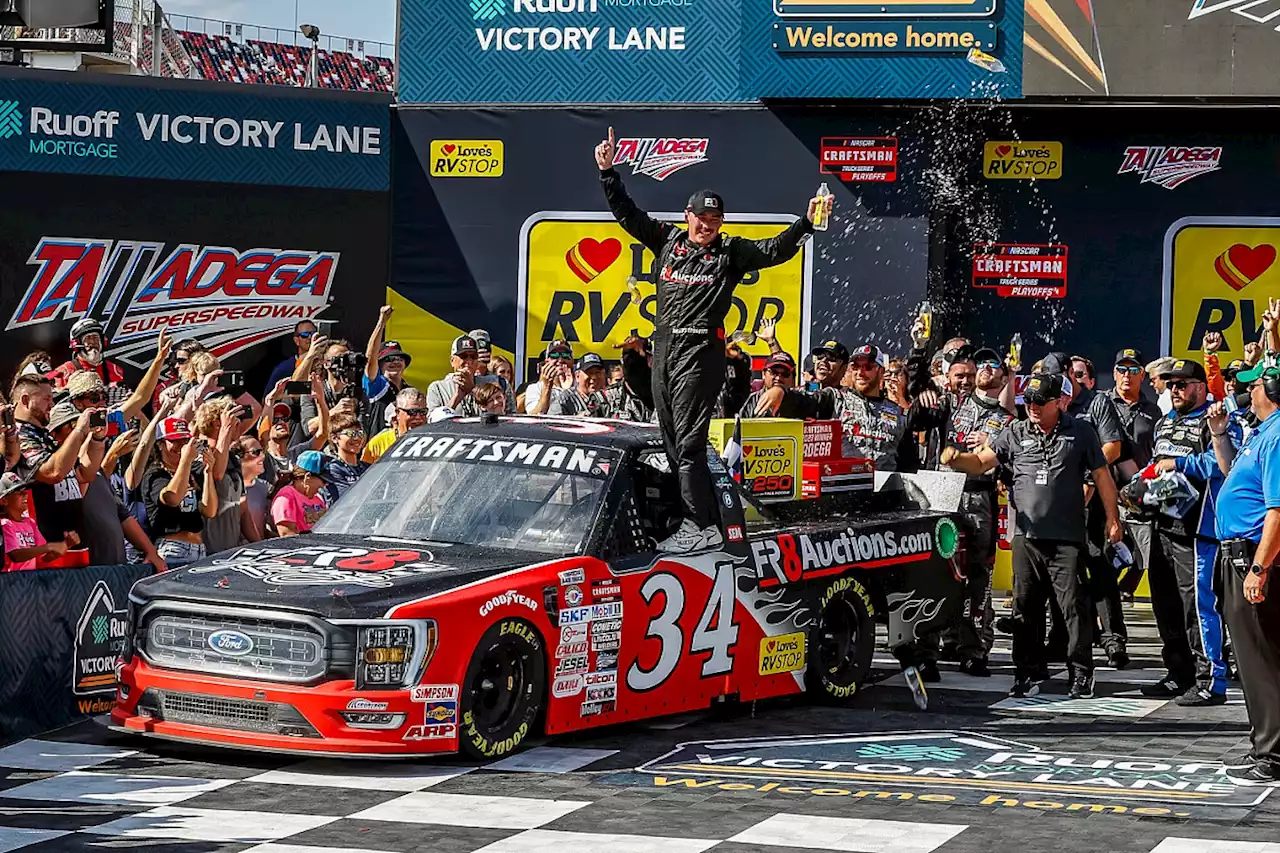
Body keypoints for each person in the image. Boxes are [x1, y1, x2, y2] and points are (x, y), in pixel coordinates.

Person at [596, 126, 828, 553]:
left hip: (701, 351)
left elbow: (776, 249)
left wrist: (806, 223)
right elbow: (628, 214)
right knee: (668, 440)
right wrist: (609, 172)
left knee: (688, 443)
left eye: (715, 219)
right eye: (701, 218)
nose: (707, 225)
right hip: (664, 349)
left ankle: (699, 525)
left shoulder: (731, 252)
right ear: (687, 216)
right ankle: (692, 517)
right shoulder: (666, 240)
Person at [944, 373, 1122, 700]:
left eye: (1041, 403)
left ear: (1059, 401)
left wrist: (1113, 517)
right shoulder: (1013, 431)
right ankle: (1026, 672)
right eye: (1029, 403)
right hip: (1026, 538)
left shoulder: (1080, 431)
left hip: (1067, 538)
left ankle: (1082, 674)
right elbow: (983, 461)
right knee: (1024, 608)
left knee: (1072, 608)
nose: (1034, 409)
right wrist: (958, 459)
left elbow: (1101, 475)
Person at [915, 346, 1014, 679]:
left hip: (978, 499)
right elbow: (917, 412)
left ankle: (973, 650)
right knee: (934, 573)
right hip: (939, 494)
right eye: (971, 370)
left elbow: (1000, 455)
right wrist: (923, 382)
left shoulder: (1005, 418)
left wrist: (988, 442)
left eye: (988, 366)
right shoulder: (948, 403)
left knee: (978, 579)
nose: (973, 377)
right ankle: (926, 651)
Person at [1143, 358, 1237, 706]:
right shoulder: (1165, 422)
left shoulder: (1217, 418)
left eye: (1182, 384)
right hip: (1162, 523)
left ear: (1201, 386)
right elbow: (1156, 464)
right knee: (1165, 605)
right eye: (1170, 385)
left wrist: (1179, 464)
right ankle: (1178, 673)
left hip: (1198, 528)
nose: (1175, 390)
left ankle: (1211, 679)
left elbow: (1225, 462)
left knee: (1198, 606)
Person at [1210, 360, 1280, 785]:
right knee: (1256, 656)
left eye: (1253, 386)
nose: (1246, 391)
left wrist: (1259, 567)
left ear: (1270, 390)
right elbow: (1229, 473)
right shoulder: (1261, 433)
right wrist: (1220, 434)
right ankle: (1266, 744)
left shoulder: (1277, 436)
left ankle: (1271, 753)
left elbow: (1277, 511)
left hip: (1253, 557)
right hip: (1242, 555)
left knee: (1261, 658)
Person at [754, 343, 922, 471]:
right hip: (845, 490)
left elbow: (908, 466)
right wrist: (782, 393)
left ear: (881, 371)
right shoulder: (836, 398)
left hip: (885, 497)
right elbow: (806, 402)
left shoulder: (898, 413)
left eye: (868, 367)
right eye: (855, 367)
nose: (860, 373)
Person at [13, 377, 100, 546]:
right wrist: (79, 430)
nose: (52, 405)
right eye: (46, 399)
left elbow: (85, 474)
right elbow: (52, 473)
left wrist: (97, 439)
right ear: (25, 400)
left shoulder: (44, 435)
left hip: (73, 543)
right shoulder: (19, 436)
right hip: (45, 548)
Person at [143, 417, 218, 567]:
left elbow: (209, 511)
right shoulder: (155, 474)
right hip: (172, 548)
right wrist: (186, 460)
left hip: (199, 548)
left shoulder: (192, 472)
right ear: (160, 444)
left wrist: (208, 472)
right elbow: (172, 498)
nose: (181, 446)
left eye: (185, 441)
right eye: (174, 441)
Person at [195, 399, 248, 556]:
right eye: (235, 422)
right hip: (209, 550)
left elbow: (243, 507)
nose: (240, 425)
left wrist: (258, 543)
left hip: (232, 548)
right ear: (218, 424)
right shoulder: (199, 451)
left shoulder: (233, 458)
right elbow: (217, 473)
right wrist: (226, 428)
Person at [2, 472, 79, 571]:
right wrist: (49, 547)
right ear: (4, 500)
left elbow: (43, 558)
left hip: (30, 582)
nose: (25, 494)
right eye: (19, 492)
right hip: (10, 583)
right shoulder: (4, 525)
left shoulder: (30, 523)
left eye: (25, 491)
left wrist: (66, 545)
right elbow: (15, 555)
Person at [50, 317, 131, 408]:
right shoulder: (63, 371)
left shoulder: (116, 370)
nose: (93, 342)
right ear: (76, 344)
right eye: (88, 339)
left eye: (95, 338)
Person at [363, 306, 414, 432]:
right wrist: (382, 322)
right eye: (389, 359)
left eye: (399, 358)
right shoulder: (377, 385)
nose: (395, 361)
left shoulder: (409, 390)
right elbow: (370, 358)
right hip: (378, 448)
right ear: (379, 364)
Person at [594, 336, 655, 422]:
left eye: (641, 359)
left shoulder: (666, 397)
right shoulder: (604, 399)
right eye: (630, 358)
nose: (635, 367)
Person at [425, 336, 487, 418]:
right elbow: (432, 423)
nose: (469, 361)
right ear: (452, 361)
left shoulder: (490, 384)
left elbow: (501, 416)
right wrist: (457, 397)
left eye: (473, 357)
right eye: (463, 356)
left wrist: (473, 390)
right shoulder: (437, 388)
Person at [271, 450, 330, 537]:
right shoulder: (286, 498)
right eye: (324, 481)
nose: (325, 485)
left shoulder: (318, 497)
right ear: (308, 477)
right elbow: (287, 535)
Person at [364, 387, 429, 463]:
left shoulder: (436, 441)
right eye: (412, 412)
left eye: (423, 412)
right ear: (397, 413)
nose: (418, 417)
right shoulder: (378, 443)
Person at [263, 319, 319, 398]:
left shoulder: (325, 362)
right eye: (304, 335)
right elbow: (266, 399)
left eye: (313, 334)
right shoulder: (284, 368)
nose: (310, 337)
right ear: (296, 341)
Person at [320, 416, 369, 504]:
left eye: (360, 433)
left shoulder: (368, 467)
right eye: (351, 434)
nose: (357, 438)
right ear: (334, 438)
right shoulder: (332, 470)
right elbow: (348, 499)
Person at [523, 340, 575, 416]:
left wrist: (568, 391)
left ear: (572, 361)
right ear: (547, 362)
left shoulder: (581, 385)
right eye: (554, 356)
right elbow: (534, 416)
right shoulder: (535, 388)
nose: (560, 360)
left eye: (566, 355)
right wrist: (547, 387)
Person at [238, 434, 271, 542]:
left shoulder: (264, 488)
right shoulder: (229, 489)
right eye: (255, 452)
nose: (262, 456)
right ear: (239, 457)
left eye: (262, 451)